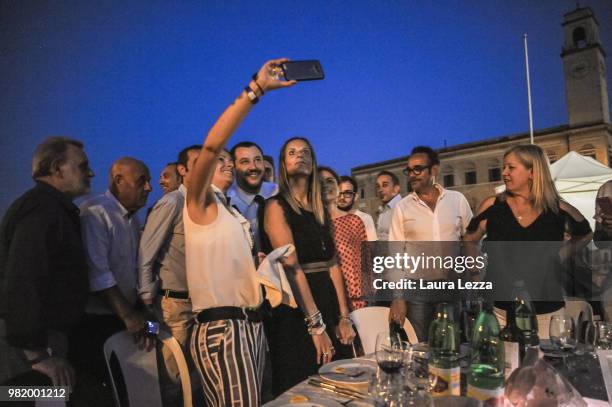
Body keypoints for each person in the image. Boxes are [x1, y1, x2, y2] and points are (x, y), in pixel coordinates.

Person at [184, 58, 294, 407]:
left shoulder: (230, 212)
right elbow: (213, 145)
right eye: (221, 161)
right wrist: (256, 89)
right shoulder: (198, 203)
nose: (228, 162)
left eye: (230, 160)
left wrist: (260, 266)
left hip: (250, 324)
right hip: (224, 329)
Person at [261, 137, 356, 396]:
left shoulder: (319, 209)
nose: (299, 155)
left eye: (305, 152)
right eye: (292, 152)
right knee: (303, 387)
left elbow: (333, 264)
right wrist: (316, 326)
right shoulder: (275, 206)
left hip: (327, 299)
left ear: (313, 161)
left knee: (339, 382)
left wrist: (344, 316)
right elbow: (292, 268)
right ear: (283, 163)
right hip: (297, 309)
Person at [0, 137, 93, 396]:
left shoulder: (52, 209)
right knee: (26, 398)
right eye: (83, 166)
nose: (90, 173)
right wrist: (36, 355)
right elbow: (23, 279)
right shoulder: (42, 210)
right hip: (30, 346)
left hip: (42, 339)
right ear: (57, 168)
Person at [464, 144, 592, 319]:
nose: (504, 173)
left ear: (532, 172)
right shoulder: (492, 206)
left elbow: (585, 233)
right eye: (503, 167)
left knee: (547, 347)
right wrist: (475, 275)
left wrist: (561, 254)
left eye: (511, 167)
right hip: (499, 310)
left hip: (547, 310)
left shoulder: (557, 209)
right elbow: (469, 239)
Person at [72, 157, 153, 405]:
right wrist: (129, 316)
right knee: (99, 390)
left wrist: (141, 314)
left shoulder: (132, 218)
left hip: (123, 317)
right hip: (97, 322)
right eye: (142, 181)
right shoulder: (95, 213)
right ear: (118, 180)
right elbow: (98, 272)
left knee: (129, 385)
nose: (149, 187)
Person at [388, 146, 473, 341]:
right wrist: (398, 297)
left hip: (452, 287)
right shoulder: (402, 207)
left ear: (434, 170)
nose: (412, 175)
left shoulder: (457, 200)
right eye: (409, 170)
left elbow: (472, 240)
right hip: (417, 291)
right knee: (420, 346)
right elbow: (395, 255)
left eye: (417, 169)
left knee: (451, 345)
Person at [138, 146, 201, 406]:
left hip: (199, 305)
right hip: (171, 307)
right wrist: (146, 302)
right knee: (174, 378)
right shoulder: (171, 202)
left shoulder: (202, 204)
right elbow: (146, 254)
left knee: (196, 377)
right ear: (183, 170)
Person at [319, 166, 369, 311]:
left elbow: (365, 261)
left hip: (355, 296)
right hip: (326, 295)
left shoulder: (354, 221)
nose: (326, 186)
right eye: (320, 182)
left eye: (330, 181)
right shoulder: (313, 223)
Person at [227, 141, 278, 254]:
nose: (253, 167)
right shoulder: (226, 203)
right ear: (233, 167)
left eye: (257, 160)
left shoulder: (278, 192)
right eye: (245, 161)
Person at [337, 175, 377, 241]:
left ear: (355, 197)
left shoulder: (365, 218)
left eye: (347, 193)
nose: (341, 197)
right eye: (338, 193)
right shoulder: (328, 220)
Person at [375, 170, 401, 241]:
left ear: (396, 189)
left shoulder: (403, 209)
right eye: (378, 186)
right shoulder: (382, 209)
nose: (380, 190)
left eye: (385, 185)